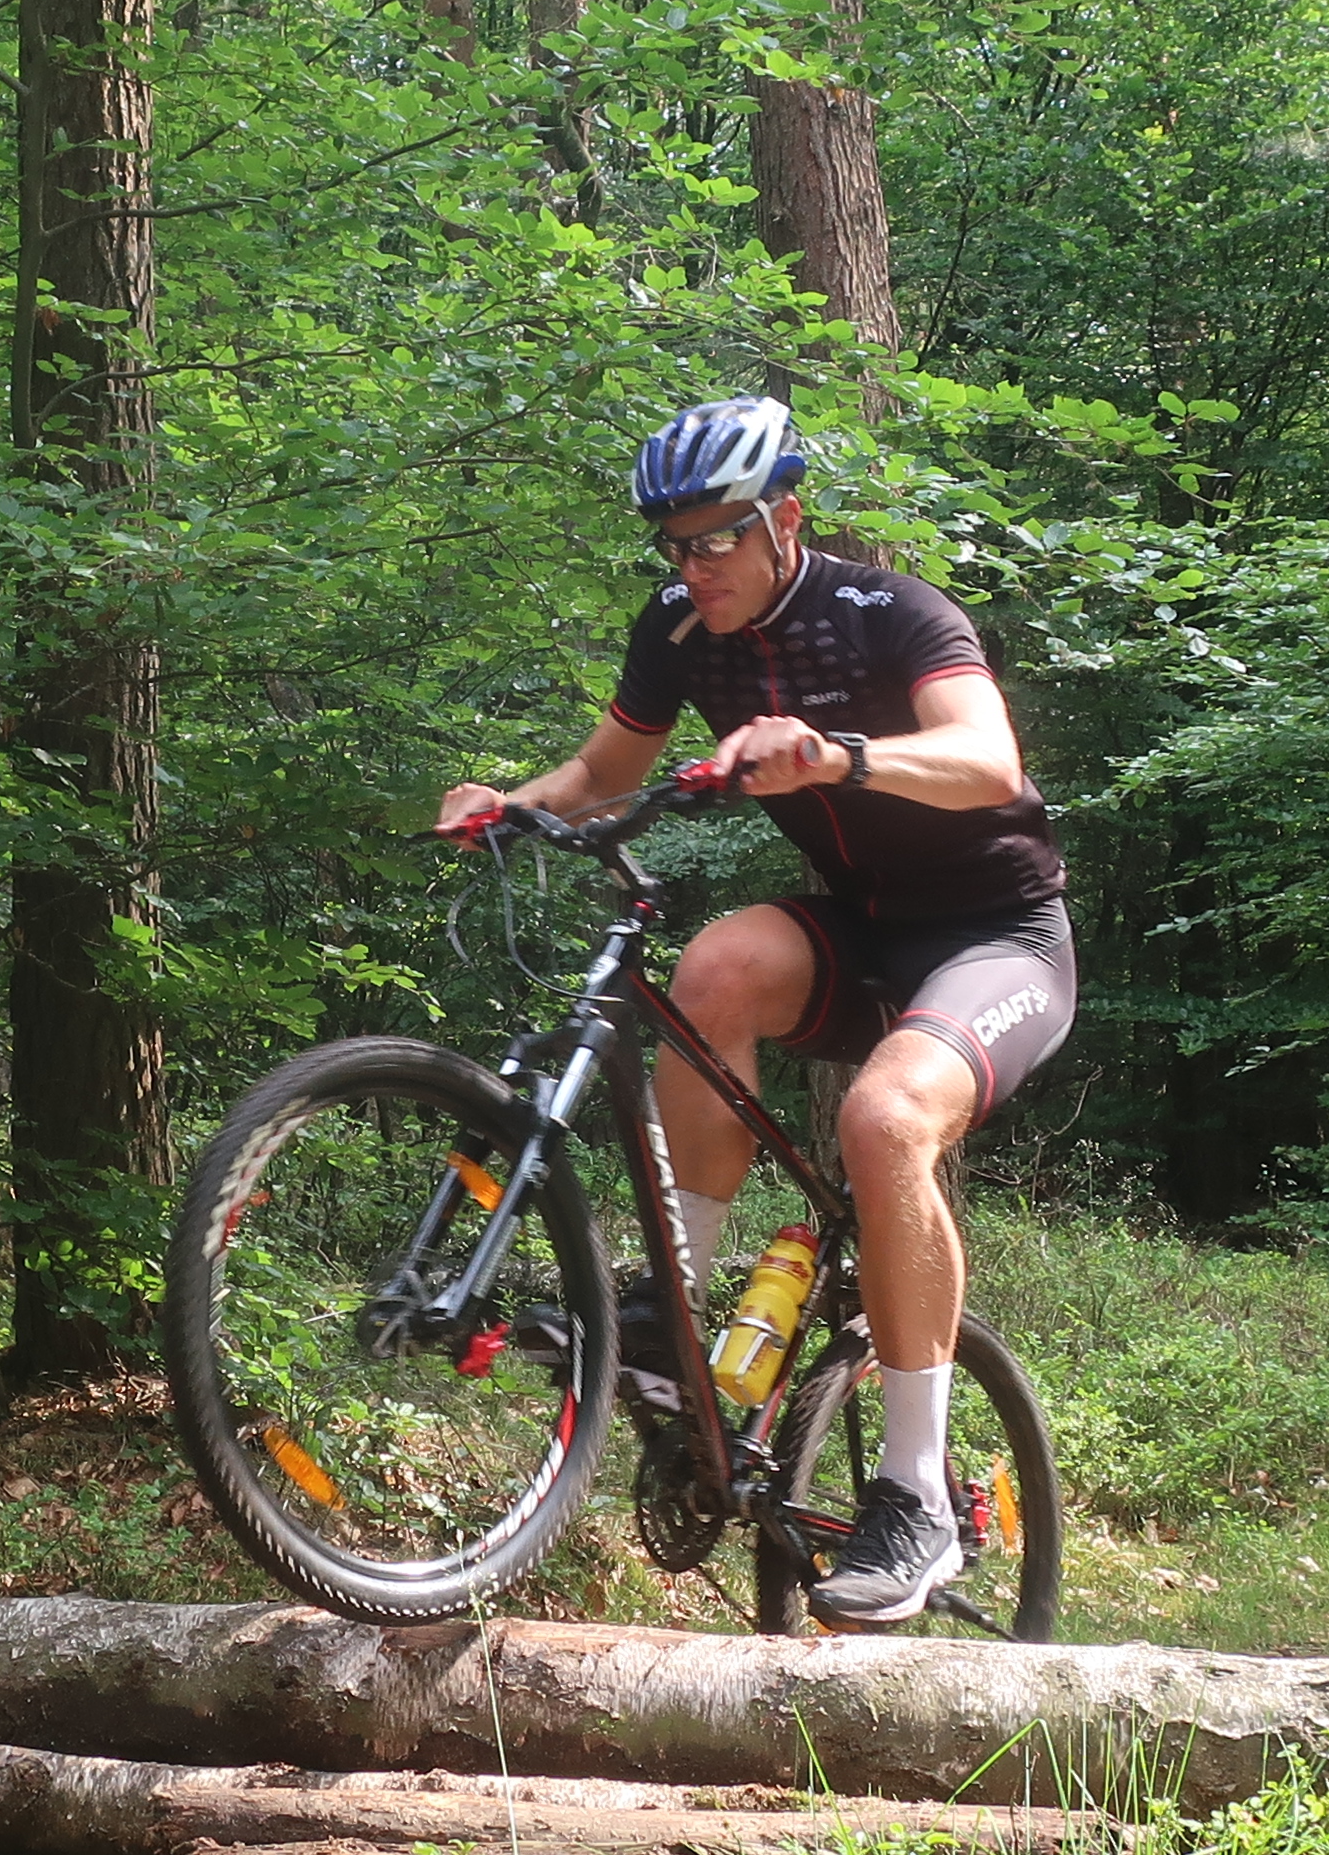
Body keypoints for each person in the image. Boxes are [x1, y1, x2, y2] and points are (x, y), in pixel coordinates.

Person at [435, 396, 1071, 1624]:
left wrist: (838, 753)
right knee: (712, 969)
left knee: (886, 1124)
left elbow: (991, 764)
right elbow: (600, 775)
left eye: (715, 538)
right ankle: (675, 1308)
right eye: (670, 543)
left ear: (783, 520)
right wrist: (509, 801)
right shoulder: (679, 632)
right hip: (862, 921)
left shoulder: (891, 614)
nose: (691, 565)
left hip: (998, 935)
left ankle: (916, 1498)